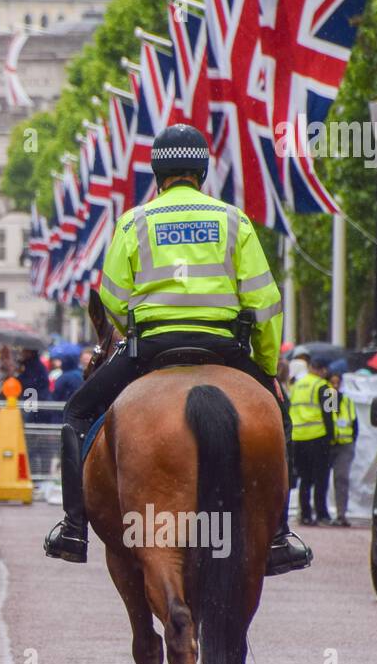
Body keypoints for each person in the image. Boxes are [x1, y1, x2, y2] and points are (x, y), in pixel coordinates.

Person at [43, 123, 311, 577]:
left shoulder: (135, 221)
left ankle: (73, 527)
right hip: (225, 347)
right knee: (277, 415)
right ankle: (281, 534)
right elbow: (265, 302)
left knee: (76, 413)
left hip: (152, 347)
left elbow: (111, 297)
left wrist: (138, 324)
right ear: (203, 171)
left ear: (157, 172)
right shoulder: (234, 221)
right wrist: (266, 370)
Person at [292, 356, 337, 526]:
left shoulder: (296, 386)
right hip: (318, 437)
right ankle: (322, 514)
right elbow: (331, 414)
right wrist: (332, 438)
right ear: (323, 370)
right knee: (321, 478)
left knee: (305, 478)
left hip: (299, 438)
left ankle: (305, 514)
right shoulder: (326, 387)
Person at [328, 372, 357, 527]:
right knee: (323, 480)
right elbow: (328, 418)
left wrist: (351, 442)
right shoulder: (331, 399)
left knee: (342, 478)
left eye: (337, 382)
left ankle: (341, 514)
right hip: (331, 444)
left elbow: (355, 425)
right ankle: (324, 512)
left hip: (345, 445)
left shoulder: (346, 401)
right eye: (332, 382)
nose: (335, 386)